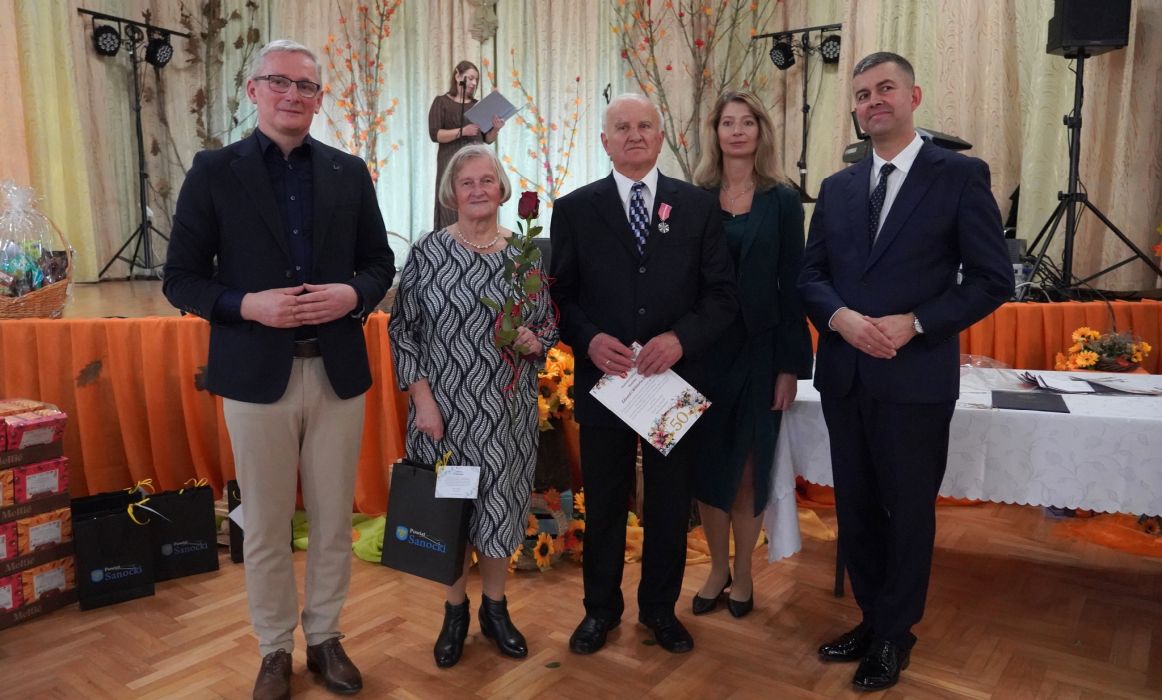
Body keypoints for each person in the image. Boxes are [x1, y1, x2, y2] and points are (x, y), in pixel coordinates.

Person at [163, 39, 395, 700]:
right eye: (280, 82)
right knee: (264, 525)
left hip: (336, 373)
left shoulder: (350, 172)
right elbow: (180, 279)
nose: (293, 95)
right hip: (253, 375)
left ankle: (324, 637)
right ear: (254, 91)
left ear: (320, 98)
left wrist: (353, 295)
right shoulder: (214, 171)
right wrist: (247, 305)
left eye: (306, 86)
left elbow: (380, 265)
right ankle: (273, 648)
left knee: (333, 520)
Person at [798, 52, 1013, 691]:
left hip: (913, 377)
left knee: (909, 510)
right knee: (857, 508)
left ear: (913, 96)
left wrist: (916, 322)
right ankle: (872, 619)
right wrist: (839, 318)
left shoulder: (960, 176)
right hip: (845, 375)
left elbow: (992, 279)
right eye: (862, 94)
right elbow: (810, 275)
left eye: (885, 88)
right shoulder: (837, 187)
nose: (873, 101)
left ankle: (896, 635)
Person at [549, 93, 736, 656]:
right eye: (622, 127)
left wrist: (680, 340)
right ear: (605, 141)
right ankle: (600, 611)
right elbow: (560, 296)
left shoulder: (698, 207)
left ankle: (659, 610)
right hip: (606, 382)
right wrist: (587, 338)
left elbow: (722, 296)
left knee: (669, 505)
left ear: (660, 137)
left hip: (672, 383)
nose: (634, 135)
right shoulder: (574, 209)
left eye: (645, 126)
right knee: (606, 504)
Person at [389, 144, 558, 669]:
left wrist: (535, 340)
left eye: (487, 180)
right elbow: (404, 331)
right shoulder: (428, 251)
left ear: (502, 189)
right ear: (452, 194)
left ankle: (496, 608)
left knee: (500, 510)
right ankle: (455, 611)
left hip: (506, 414)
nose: (478, 190)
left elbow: (547, 324)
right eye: (468, 183)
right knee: (451, 516)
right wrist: (423, 402)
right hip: (443, 415)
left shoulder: (525, 254)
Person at [688, 91, 813, 619]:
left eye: (747, 122)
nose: (737, 131)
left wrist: (790, 367)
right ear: (715, 133)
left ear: (761, 131)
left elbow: (794, 285)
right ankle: (716, 568)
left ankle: (743, 574)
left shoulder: (782, 200)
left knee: (747, 470)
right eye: (727, 123)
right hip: (703, 356)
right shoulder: (695, 196)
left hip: (761, 356)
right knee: (707, 468)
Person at [429, 60, 505, 231]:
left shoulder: (478, 106)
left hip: (475, 165)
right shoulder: (441, 102)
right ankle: (449, 245)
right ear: (457, 76)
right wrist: (463, 131)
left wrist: (496, 128)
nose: (473, 83)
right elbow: (436, 134)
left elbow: (487, 138)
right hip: (450, 163)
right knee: (450, 207)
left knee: (474, 205)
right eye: (470, 78)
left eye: (476, 79)